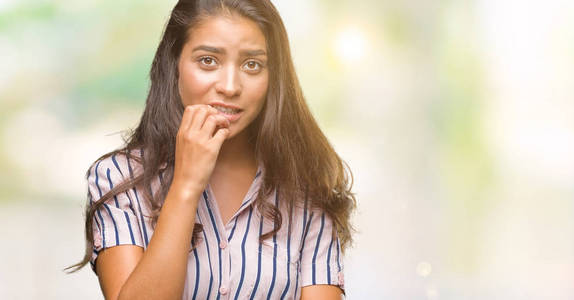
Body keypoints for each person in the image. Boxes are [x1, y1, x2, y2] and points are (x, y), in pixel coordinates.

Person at [65, 0, 356, 299]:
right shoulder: (119, 178)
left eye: (252, 65)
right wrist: (186, 186)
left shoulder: (308, 194)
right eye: (208, 61)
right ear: (174, 64)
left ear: (274, 78)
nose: (230, 86)